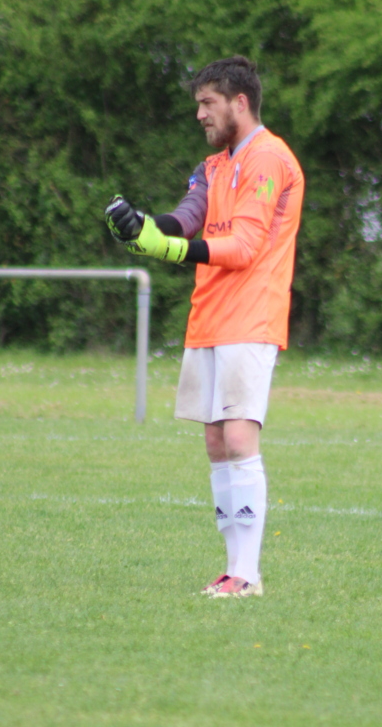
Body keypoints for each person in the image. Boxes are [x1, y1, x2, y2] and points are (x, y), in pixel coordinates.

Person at [104, 56, 304, 598]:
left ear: (240, 102)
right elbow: (189, 215)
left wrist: (169, 249)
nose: (200, 114)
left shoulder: (269, 158)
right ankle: (233, 569)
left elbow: (243, 247)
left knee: (239, 436)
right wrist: (144, 227)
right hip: (210, 316)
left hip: (252, 314)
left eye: (207, 103)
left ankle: (247, 574)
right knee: (217, 442)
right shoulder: (214, 166)